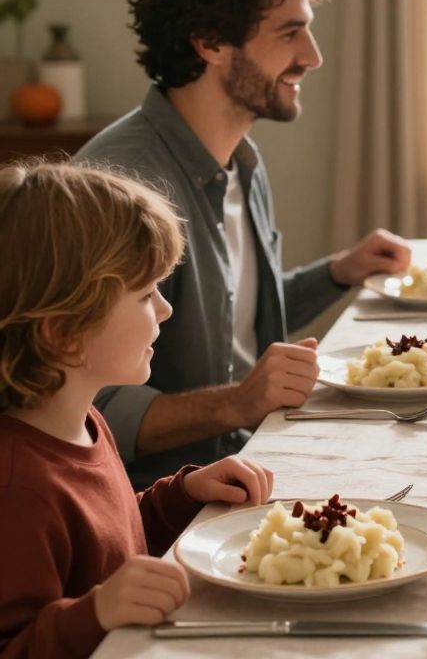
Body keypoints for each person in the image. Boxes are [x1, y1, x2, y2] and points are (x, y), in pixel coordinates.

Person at [76, 0, 411, 488]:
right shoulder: (118, 187)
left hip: (258, 458)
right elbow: (95, 406)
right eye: (289, 33)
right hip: (170, 504)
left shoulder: (241, 161)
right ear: (209, 43)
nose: (313, 56)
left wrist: (339, 272)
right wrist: (235, 404)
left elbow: (231, 321)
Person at [0, 162, 274, 658]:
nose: (165, 309)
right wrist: (97, 613)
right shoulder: (18, 488)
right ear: (63, 332)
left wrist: (182, 497)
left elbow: (109, 548)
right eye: (146, 294)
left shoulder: (81, 422)